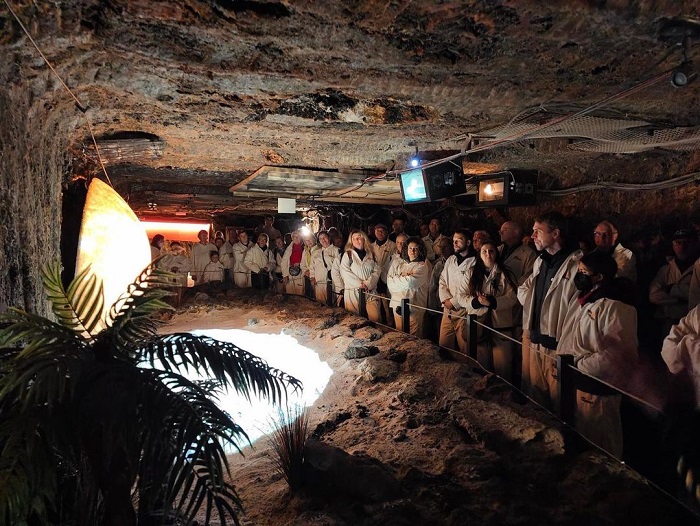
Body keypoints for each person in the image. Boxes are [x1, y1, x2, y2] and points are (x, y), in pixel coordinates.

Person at [558, 251, 638, 459]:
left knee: (602, 445)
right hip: (581, 381)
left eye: (583, 272)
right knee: (584, 441)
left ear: (599, 276)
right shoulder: (587, 301)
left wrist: (580, 363)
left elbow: (620, 354)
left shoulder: (617, 307)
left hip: (599, 388)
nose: (579, 275)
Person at [518, 211, 583, 409]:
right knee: (536, 398)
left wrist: (565, 348)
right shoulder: (541, 261)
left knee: (559, 403)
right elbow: (525, 291)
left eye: (538, 231)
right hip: (536, 339)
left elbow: (576, 312)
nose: (532, 236)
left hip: (558, 347)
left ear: (555, 234)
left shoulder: (577, 265)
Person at [456, 240, 518, 380]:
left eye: (491, 251)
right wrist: (475, 302)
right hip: (478, 325)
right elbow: (461, 296)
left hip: (500, 327)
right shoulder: (471, 273)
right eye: (484, 251)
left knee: (503, 368)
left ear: (496, 253)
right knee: (480, 367)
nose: (488, 254)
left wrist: (493, 302)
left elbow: (513, 297)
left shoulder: (505, 274)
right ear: (479, 254)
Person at [649, 228, 700, 340]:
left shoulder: (698, 267)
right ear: (673, 246)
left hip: (693, 323)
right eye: (678, 243)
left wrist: (671, 290)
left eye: (687, 242)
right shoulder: (665, 270)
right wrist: (680, 299)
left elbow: (697, 294)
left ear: (695, 244)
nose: (682, 247)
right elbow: (653, 295)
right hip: (669, 322)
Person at [438, 229, 475, 353]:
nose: (455, 243)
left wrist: (454, 302)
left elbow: (469, 288)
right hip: (447, 309)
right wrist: (445, 299)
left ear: (468, 242)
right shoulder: (451, 259)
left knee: (465, 349)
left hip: (464, 312)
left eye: (459, 240)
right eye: (454, 241)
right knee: (443, 346)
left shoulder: (475, 262)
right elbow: (442, 280)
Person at [387, 236, 431, 336]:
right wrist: (403, 280)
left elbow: (410, 282)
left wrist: (397, 280)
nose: (412, 251)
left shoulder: (422, 266)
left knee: (414, 339)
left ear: (420, 250)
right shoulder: (401, 264)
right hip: (397, 305)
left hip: (414, 309)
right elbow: (389, 283)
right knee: (399, 337)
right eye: (410, 248)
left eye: (416, 248)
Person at [338, 229, 381, 321]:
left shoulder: (371, 254)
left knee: (376, 318)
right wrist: (360, 284)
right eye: (354, 239)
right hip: (353, 292)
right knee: (355, 319)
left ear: (364, 239)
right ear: (351, 241)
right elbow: (345, 271)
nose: (357, 240)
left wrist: (367, 284)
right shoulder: (348, 255)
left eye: (359, 238)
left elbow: (377, 271)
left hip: (370, 291)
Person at [426, 237, 454, 343]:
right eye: (440, 247)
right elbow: (432, 286)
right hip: (440, 304)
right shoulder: (438, 264)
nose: (442, 249)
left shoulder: (457, 263)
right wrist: (432, 306)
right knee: (442, 335)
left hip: (456, 304)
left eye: (445, 247)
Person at [371, 224, 396, 326]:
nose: (380, 233)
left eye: (382, 231)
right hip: (374, 277)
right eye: (378, 231)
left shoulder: (393, 246)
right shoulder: (371, 246)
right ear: (375, 232)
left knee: (388, 302)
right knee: (376, 303)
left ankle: (390, 321)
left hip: (387, 276)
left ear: (387, 232)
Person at [310, 231, 340, 304]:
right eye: (320, 239)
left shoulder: (336, 250)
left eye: (324, 237)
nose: (323, 240)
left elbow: (339, 266)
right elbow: (312, 266)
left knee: (333, 304)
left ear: (329, 238)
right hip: (319, 283)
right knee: (320, 305)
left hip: (333, 283)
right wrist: (312, 277)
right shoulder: (316, 252)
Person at [158, 241, 191, 306]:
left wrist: (178, 269)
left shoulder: (184, 259)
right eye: (173, 248)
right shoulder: (166, 259)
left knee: (182, 298)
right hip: (169, 283)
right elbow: (162, 269)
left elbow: (188, 268)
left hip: (181, 283)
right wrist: (170, 269)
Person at [282, 230, 305, 295]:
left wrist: (299, 263)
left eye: (298, 236)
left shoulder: (304, 247)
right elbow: (284, 261)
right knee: (290, 294)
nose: (296, 238)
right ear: (292, 238)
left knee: (300, 294)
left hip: (300, 274)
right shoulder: (289, 248)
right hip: (290, 274)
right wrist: (285, 275)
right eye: (294, 237)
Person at [300, 231, 321, 298]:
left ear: (314, 239)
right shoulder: (305, 250)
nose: (309, 242)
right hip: (307, 276)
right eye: (306, 240)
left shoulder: (320, 249)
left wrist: (311, 272)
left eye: (310, 239)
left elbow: (319, 265)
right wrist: (305, 271)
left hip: (317, 276)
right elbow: (302, 263)